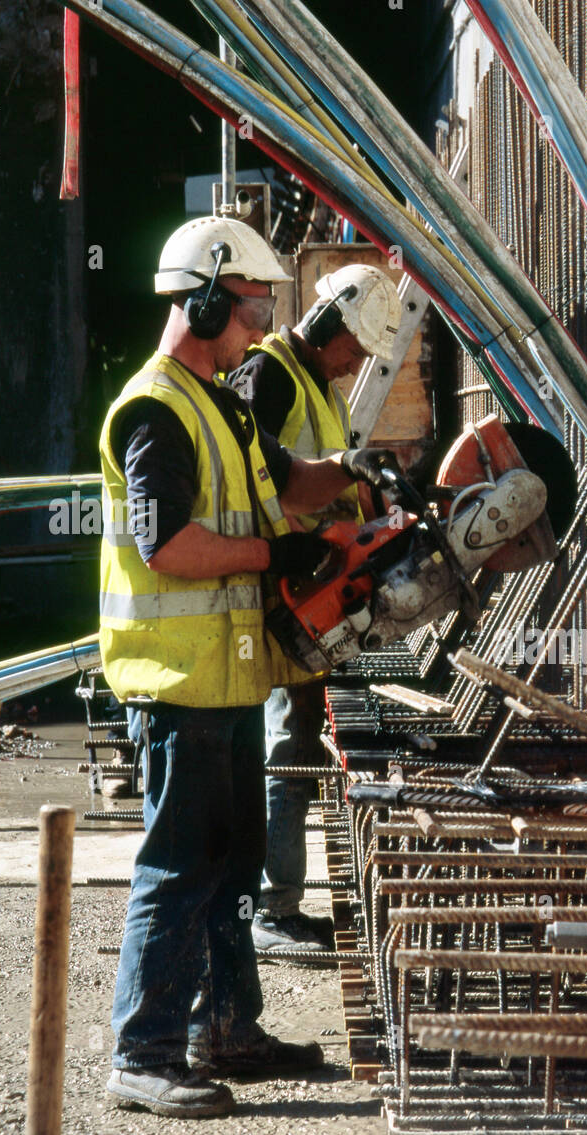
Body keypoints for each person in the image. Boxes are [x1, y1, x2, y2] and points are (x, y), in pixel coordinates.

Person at [98, 216, 385, 1118]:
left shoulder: (220, 400)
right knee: (179, 868)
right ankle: (143, 1053)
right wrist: (276, 560)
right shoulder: (155, 410)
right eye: (254, 307)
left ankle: (227, 1029)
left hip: (225, 679)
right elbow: (166, 548)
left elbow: (287, 480)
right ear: (210, 295)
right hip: (176, 683)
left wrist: (355, 477)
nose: (263, 327)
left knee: (229, 866)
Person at [229, 264, 403, 954]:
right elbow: (252, 481)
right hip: (281, 594)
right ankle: (271, 909)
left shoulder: (318, 387)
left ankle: (280, 902)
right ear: (330, 325)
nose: (357, 362)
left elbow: (325, 480)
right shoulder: (266, 375)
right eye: (355, 348)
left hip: (313, 594)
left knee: (297, 743)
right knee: (281, 748)